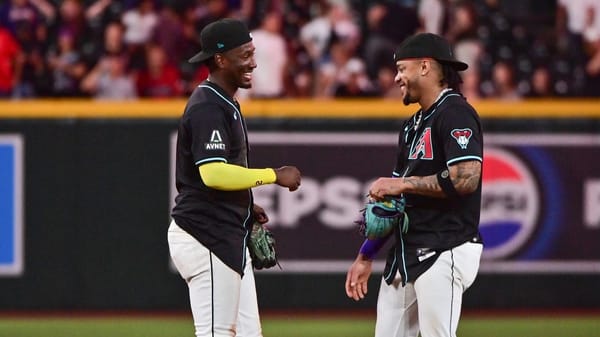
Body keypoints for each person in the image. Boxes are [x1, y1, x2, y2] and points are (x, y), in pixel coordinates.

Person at [167, 18, 301, 337]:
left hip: (224, 231)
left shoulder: (224, 101)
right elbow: (212, 174)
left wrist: (244, 204)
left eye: (253, 52)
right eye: (245, 54)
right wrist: (274, 176)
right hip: (206, 235)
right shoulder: (208, 107)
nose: (253, 62)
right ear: (220, 59)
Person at [345, 32, 484, 337]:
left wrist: (404, 185)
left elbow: (466, 178)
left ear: (425, 67)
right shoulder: (412, 126)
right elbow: (393, 205)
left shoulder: (454, 112)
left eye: (402, 69)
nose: (396, 78)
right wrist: (366, 254)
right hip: (407, 253)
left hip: (444, 246)